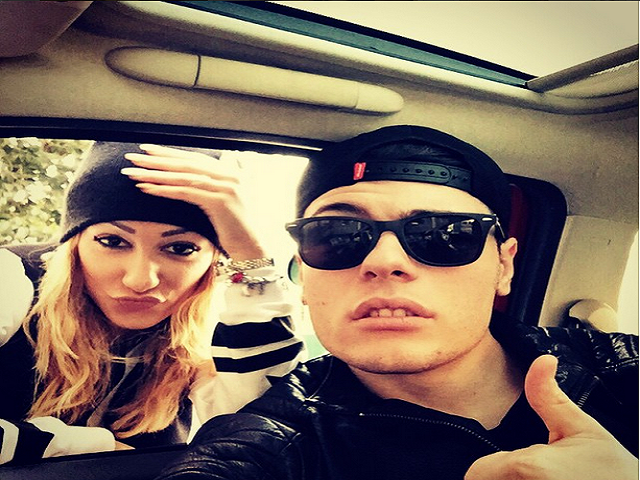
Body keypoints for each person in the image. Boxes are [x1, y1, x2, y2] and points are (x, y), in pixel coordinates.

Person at [155, 125, 638, 480]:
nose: (384, 262)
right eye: (337, 236)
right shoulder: (269, 448)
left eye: (445, 234)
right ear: (303, 275)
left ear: (504, 267)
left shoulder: (622, 368)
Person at [0, 141, 305, 465]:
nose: (140, 280)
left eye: (180, 249)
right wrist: (97, 448)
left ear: (214, 259)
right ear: (74, 242)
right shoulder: (13, 277)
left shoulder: (213, 329)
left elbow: (263, 438)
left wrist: (251, 255)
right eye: (112, 241)